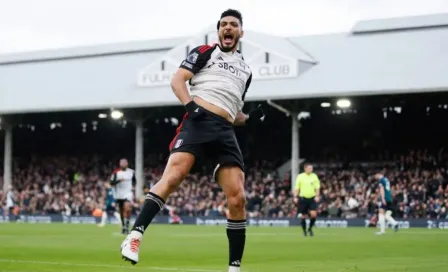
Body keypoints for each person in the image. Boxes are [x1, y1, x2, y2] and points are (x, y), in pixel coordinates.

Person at [120, 9, 265, 272]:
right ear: (219, 30)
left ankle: (234, 268)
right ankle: (134, 236)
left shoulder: (246, 70)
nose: (228, 28)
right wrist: (190, 107)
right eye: (223, 24)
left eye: (233, 24)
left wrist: (249, 119)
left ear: (241, 32)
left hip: (225, 130)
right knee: (174, 176)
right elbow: (177, 80)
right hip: (198, 121)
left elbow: (232, 111)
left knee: (238, 198)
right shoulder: (205, 52)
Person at [110, 158, 136, 234]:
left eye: (125, 162)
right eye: (122, 162)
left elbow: (134, 181)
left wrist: (133, 187)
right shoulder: (116, 173)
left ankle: (127, 226)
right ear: (120, 164)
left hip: (128, 193)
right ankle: (124, 227)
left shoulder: (131, 172)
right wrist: (119, 180)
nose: (124, 164)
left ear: (127, 163)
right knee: (121, 211)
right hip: (119, 194)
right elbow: (111, 183)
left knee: (127, 208)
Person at [294, 163, 320, 237]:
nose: (311, 170)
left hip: (312, 198)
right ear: (305, 168)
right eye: (309, 168)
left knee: (313, 215)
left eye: (312, 168)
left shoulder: (314, 176)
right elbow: (297, 188)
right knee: (303, 216)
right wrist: (295, 197)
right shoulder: (300, 176)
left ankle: (310, 228)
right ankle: (304, 231)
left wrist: (317, 196)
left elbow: (317, 187)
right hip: (303, 199)